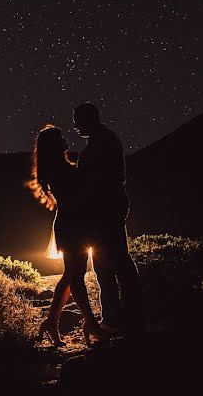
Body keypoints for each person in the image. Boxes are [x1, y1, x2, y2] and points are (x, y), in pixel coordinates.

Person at [29, 124, 115, 346]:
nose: (65, 138)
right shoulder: (57, 169)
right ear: (53, 145)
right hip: (71, 225)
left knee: (71, 275)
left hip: (77, 224)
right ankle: (91, 324)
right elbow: (75, 196)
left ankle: (51, 322)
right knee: (76, 277)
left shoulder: (61, 165)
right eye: (59, 137)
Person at [73, 102, 144, 334]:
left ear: (90, 119)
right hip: (107, 208)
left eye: (78, 120)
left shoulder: (102, 143)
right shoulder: (103, 141)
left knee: (112, 263)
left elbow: (100, 181)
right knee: (109, 262)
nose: (75, 126)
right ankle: (122, 316)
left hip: (105, 210)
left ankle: (120, 318)